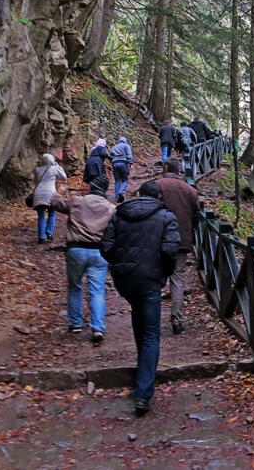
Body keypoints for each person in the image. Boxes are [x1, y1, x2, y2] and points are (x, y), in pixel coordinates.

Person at [101, 181, 179, 416]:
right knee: (151, 334)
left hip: (125, 279)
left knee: (139, 317)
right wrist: (164, 271)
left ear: (138, 194)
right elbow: (170, 250)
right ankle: (143, 393)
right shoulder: (167, 216)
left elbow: (106, 245)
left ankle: (142, 367)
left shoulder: (120, 214)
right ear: (159, 197)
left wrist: (118, 265)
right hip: (150, 279)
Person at [52, 175, 117, 341]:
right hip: (99, 252)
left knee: (75, 287)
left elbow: (56, 203)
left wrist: (58, 192)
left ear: (89, 188)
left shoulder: (77, 201)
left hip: (76, 250)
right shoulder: (110, 208)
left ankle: (75, 323)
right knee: (97, 290)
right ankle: (98, 327)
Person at [156, 158, 200, 335]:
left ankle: (152, 319)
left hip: (158, 240)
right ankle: (177, 320)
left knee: (155, 279)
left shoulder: (157, 186)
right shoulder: (190, 190)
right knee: (177, 280)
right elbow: (196, 216)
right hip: (181, 241)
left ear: (166, 168)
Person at [33, 153, 67, 244]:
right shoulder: (54, 169)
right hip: (50, 193)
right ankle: (49, 232)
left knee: (41, 216)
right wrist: (58, 166)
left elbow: (35, 182)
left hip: (38, 194)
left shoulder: (38, 170)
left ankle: (41, 237)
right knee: (52, 213)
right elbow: (64, 177)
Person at [110, 136, 133, 202]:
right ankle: (121, 191)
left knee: (117, 181)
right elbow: (129, 155)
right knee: (125, 180)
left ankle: (117, 198)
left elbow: (110, 155)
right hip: (123, 163)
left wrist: (112, 161)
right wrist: (131, 163)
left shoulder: (114, 147)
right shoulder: (126, 146)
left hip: (115, 163)